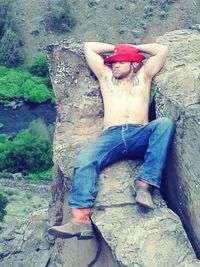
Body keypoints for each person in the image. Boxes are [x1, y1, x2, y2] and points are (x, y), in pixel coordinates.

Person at [48, 42, 175, 240]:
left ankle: (144, 185)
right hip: (112, 136)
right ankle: (81, 220)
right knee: (84, 160)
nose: (114, 65)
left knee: (165, 124)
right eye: (112, 62)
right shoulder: (106, 77)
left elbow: (162, 50)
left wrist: (134, 48)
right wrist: (117, 48)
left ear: (134, 64)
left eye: (120, 61)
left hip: (139, 133)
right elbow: (88, 47)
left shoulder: (144, 76)